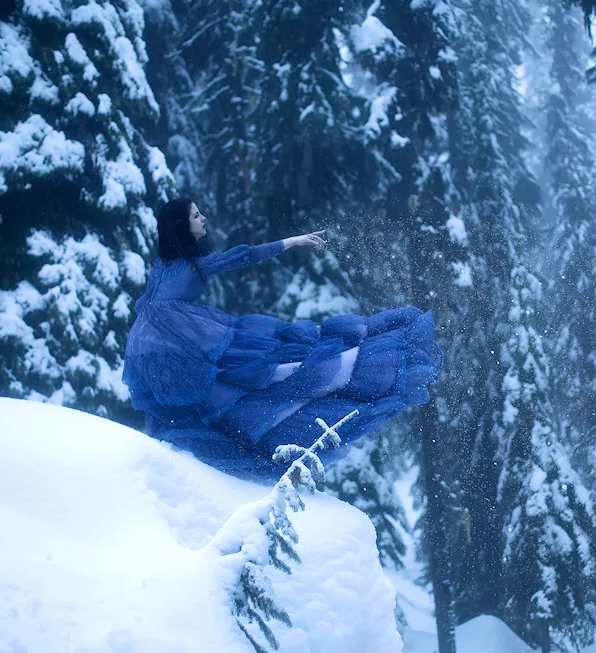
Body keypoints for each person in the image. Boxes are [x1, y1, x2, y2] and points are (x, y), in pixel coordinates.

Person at [122, 198, 442, 480]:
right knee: (249, 372)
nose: (202, 218)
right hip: (174, 338)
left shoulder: (163, 265)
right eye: (195, 215)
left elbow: (146, 302)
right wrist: (292, 241)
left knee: (208, 390)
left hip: (147, 342)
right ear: (181, 225)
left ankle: (186, 450)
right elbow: (243, 256)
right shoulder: (194, 265)